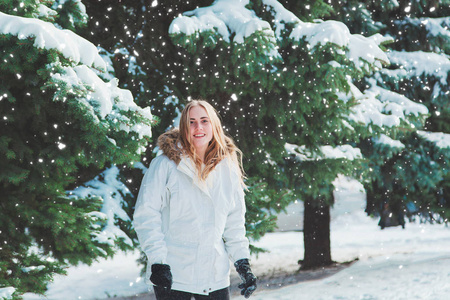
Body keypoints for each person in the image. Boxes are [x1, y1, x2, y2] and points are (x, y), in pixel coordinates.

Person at [133, 100, 257, 300]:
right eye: (191, 122)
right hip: (174, 275)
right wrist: (158, 261)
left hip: (214, 275)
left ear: (214, 125)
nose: (198, 127)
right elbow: (145, 214)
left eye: (204, 120)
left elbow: (234, 222)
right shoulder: (165, 165)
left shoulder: (228, 168)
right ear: (184, 127)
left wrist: (243, 263)